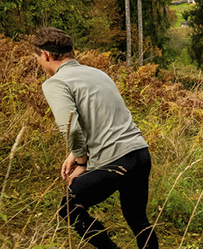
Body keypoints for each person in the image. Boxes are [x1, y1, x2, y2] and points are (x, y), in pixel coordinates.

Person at [30, 27, 158, 249]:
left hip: (115, 161)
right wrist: (74, 153)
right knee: (137, 219)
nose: (39, 63)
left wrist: (81, 162)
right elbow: (101, 118)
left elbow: (70, 129)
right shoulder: (99, 74)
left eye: (37, 58)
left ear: (46, 55)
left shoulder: (55, 83)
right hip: (139, 153)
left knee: (69, 208)